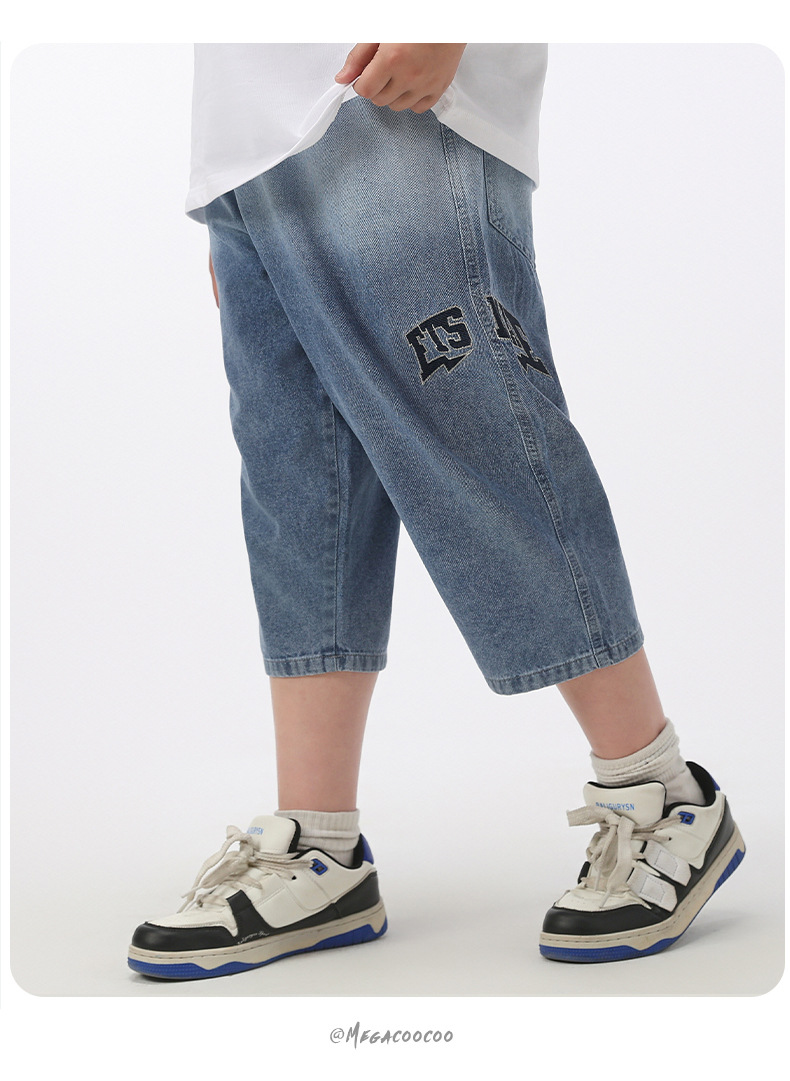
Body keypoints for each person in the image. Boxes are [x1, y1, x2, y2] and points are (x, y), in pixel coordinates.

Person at [127, 43, 744, 980]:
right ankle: (318, 846)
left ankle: (661, 792)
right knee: (300, 488)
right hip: (254, 140)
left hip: (392, 95)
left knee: (482, 436)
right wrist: (227, 179)